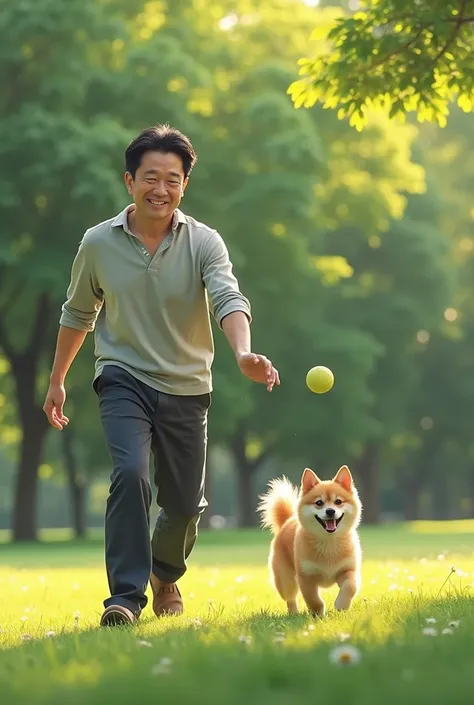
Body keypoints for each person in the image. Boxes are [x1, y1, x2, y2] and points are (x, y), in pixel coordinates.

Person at [42, 124, 280, 627]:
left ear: (184, 186)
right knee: (129, 474)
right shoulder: (98, 243)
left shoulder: (205, 242)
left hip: (188, 386)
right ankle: (124, 598)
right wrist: (58, 379)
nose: (161, 189)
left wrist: (243, 353)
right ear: (130, 181)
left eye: (172, 179)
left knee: (186, 505)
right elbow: (77, 313)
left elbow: (227, 297)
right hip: (123, 376)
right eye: (151, 177)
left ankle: (164, 571)